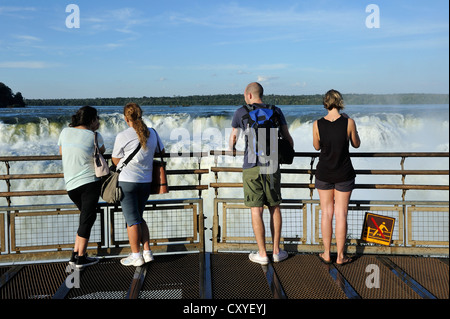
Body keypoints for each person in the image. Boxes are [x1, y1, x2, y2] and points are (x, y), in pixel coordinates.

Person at [229, 82, 294, 265]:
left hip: (251, 166)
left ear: (248, 95)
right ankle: (276, 252)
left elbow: (233, 137)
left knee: (256, 210)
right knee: (274, 207)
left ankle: (262, 254)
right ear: (260, 94)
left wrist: (232, 149)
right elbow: (288, 138)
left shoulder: (241, 112)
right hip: (272, 164)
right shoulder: (276, 110)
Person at [112, 102, 164, 267]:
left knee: (132, 221)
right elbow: (161, 152)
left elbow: (115, 159)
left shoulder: (123, 135)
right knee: (138, 218)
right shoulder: (153, 133)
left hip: (127, 182)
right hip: (146, 182)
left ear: (127, 119)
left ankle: (136, 256)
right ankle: (147, 252)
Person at [313, 89, 361, 265]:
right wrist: (350, 126)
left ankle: (327, 254)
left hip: (324, 172)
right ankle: (340, 256)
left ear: (325, 103)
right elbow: (356, 144)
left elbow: (316, 146)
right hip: (344, 173)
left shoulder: (317, 124)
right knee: (341, 214)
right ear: (340, 102)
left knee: (327, 213)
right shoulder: (349, 122)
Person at [58, 105, 104, 269]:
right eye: (97, 119)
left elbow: (62, 151)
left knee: (86, 218)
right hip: (89, 183)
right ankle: (81, 258)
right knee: (87, 219)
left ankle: (75, 255)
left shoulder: (64, 132)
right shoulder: (94, 136)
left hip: (71, 185)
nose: (98, 121)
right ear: (92, 120)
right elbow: (102, 151)